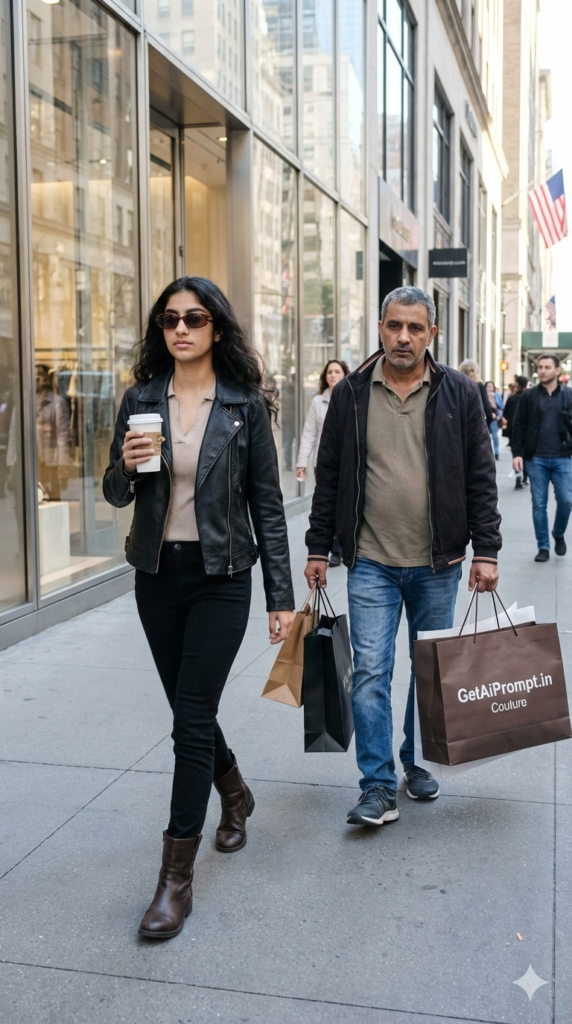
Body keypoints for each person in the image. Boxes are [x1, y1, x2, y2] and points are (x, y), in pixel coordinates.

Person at [103, 276, 295, 939]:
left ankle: (174, 881)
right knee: (191, 712)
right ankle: (234, 791)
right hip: (157, 576)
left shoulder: (244, 405)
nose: (180, 329)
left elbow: (267, 505)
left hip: (223, 576)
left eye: (194, 318)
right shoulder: (140, 399)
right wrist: (126, 467)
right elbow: (116, 493)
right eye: (169, 319)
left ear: (216, 327)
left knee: (189, 720)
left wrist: (280, 597)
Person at [305, 286, 501, 827]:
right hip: (370, 559)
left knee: (428, 670)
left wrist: (486, 550)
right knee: (370, 670)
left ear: (431, 334)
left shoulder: (459, 392)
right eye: (394, 326)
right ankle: (376, 785)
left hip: (438, 564)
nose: (404, 337)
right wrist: (318, 545)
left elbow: (480, 476)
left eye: (415, 328)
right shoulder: (350, 393)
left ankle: (416, 762)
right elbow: (329, 477)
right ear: (380, 328)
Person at [511, 354, 572, 562]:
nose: (542, 371)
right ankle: (543, 546)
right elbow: (519, 425)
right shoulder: (529, 396)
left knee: (566, 501)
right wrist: (517, 454)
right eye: (540, 367)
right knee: (539, 504)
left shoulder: (568, 395)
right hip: (536, 459)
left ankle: (558, 533)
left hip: (563, 457)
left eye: (547, 367)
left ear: (557, 370)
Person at [296, 359, 349, 567]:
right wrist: (302, 462)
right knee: (327, 503)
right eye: (329, 372)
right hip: (324, 461)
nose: (333, 375)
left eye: (337, 371)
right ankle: (331, 546)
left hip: (347, 461)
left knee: (343, 503)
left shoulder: (352, 397)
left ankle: (339, 547)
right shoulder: (318, 402)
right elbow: (309, 433)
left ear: (345, 375)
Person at [502, 376, 529, 487]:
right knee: (525, 453)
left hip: (512, 429)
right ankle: (525, 476)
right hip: (526, 429)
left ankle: (518, 472)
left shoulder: (512, 398)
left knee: (516, 452)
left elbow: (505, 413)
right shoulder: (528, 397)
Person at [458, 360, 494, 427]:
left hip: (460, 424)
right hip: (476, 424)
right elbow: (486, 407)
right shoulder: (479, 386)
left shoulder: (458, 386)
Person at [485, 381, 503, 460]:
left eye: (491, 386)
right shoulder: (483, 395)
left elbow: (500, 406)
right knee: (485, 436)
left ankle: (496, 452)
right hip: (485, 417)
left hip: (494, 417)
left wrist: (499, 416)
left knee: (495, 436)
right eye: (488, 386)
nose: (489, 388)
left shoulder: (496, 395)